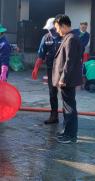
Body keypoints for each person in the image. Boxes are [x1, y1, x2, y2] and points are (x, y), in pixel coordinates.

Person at [52, 14, 83, 144]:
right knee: (66, 106)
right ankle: (67, 131)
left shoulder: (71, 39)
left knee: (69, 107)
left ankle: (71, 135)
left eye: (58, 28)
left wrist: (63, 78)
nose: (57, 31)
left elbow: (69, 61)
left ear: (64, 26)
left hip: (67, 80)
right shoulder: (69, 37)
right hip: (66, 80)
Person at [31, 18, 63, 124]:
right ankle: (54, 116)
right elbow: (41, 54)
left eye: (52, 28)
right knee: (52, 93)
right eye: (49, 29)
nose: (50, 31)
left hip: (64, 70)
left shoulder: (65, 37)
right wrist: (36, 68)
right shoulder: (46, 38)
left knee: (65, 94)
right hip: (51, 69)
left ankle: (68, 119)